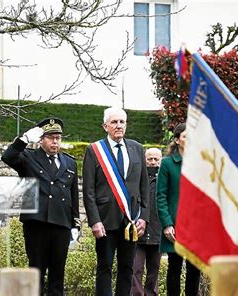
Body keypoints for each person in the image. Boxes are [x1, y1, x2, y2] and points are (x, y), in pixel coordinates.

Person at [2, 118, 80, 296]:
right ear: (41, 140)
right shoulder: (29, 157)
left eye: (58, 138)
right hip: (37, 223)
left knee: (57, 273)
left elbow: (73, 195)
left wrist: (75, 224)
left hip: (61, 223)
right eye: (50, 137)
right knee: (36, 271)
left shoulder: (69, 163)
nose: (55, 141)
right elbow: (8, 157)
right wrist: (24, 139)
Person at [83, 107, 149, 296]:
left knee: (127, 267)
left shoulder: (137, 148)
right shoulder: (94, 150)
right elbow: (88, 191)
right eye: (114, 122)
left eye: (122, 122)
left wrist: (144, 216)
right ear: (105, 126)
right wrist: (94, 220)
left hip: (132, 221)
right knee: (104, 266)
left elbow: (144, 186)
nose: (118, 126)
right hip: (105, 220)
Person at [156, 123, 200, 296]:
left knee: (195, 270)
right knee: (174, 268)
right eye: (185, 136)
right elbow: (160, 196)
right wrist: (167, 224)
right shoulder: (167, 164)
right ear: (177, 140)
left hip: (196, 227)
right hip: (175, 226)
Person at [131, 148, 163, 296]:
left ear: (161, 160)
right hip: (139, 231)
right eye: (150, 158)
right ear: (144, 159)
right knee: (135, 269)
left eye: (156, 159)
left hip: (158, 232)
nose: (153, 162)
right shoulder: (137, 178)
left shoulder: (164, 181)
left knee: (154, 270)